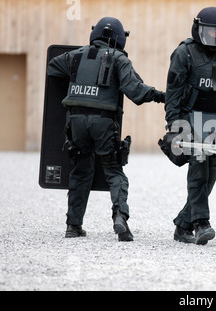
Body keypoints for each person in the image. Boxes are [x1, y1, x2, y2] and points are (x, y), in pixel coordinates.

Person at [47, 17, 165, 241]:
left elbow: (52, 67)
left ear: (95, 34)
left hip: (76, 123)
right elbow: (136, 92)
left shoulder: (76, 56)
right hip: (104, 123)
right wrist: (161, 97)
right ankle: (120, 218)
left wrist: (76, 76)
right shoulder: (120, 59)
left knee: (80, 172)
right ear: (120, 39)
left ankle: (73, 226)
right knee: (114, 172)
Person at [164, 7, 216, 245]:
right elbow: (173, 93)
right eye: (211, 32)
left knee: (212, 173)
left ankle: (182, 225)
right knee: (199, 168)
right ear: (199, 29)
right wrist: (174, 126)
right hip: (191, 119)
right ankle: (201, 223)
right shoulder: (184, 53)